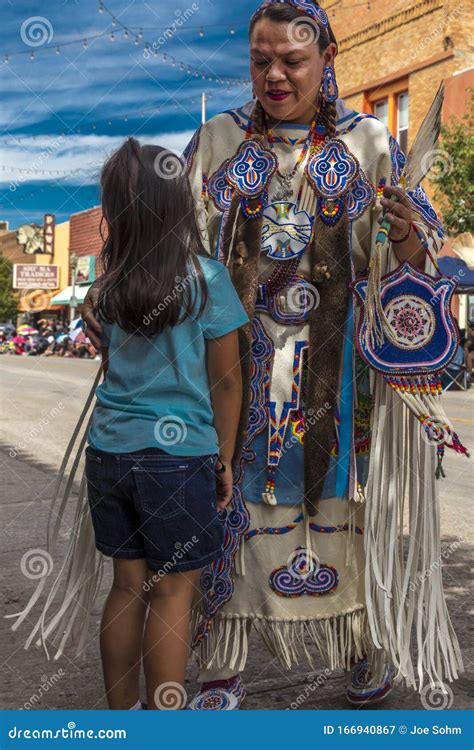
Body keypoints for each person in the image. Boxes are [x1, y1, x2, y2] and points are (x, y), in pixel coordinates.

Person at [80, 0, 463, 709]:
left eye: (293, 60)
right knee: (231, 517)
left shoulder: (371, 141)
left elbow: (410, 254)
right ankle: (223, 665)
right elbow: (169, 244)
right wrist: (113, 293)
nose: (276, 75)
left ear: (326, 60)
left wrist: (408, 239)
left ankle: (360, 645)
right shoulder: (217, 139)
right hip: (234, 370)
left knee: (343, 517)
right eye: (261, 61)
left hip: (338, 378)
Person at [83, 137, 249, 709]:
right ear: (177, 203)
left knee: (126, 587)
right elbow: (227, 381)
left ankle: (122, 719)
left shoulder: (105, 288)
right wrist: (223, 458)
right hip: (178, 462)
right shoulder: (206, 278)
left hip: (109, 454)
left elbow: (115, 364)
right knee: (174, 591)